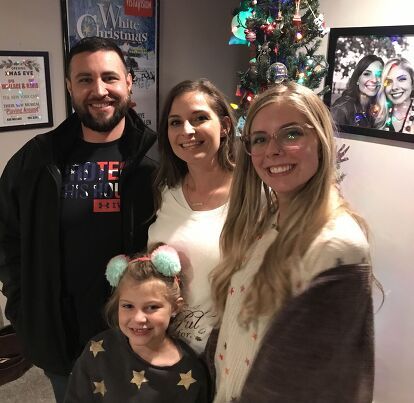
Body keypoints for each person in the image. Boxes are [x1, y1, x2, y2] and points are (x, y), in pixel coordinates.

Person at [0, 36, 157, 402]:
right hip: (62, 342)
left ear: (128, 82)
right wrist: (23, 307)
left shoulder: (158, 159)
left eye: (109, 77)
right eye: (85, 79)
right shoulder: (36, 161)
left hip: (141, 339)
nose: (98, 90)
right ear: (70, 86)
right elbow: (6, 236)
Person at [210, 82, 376, 402]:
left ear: (320, 140)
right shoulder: (266, 224)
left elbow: (293, 387)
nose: (273, 150)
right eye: (260, 139)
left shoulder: (336, 248)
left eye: (291, 134)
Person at [147, 79, 236, 354]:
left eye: (199, 118)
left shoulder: (252, 195)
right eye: (175, 122)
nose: (187, 130)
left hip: (221, 354)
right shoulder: (165, 191)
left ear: (224, 126)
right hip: (164, 348)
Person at [64, 244, 210, 403]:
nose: (139, 318)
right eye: (128, 306)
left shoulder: (192, 373)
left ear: (175, 307)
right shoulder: (97, 350)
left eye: (152, 307)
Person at [331, 54, 384, 127]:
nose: (374, 80)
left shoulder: (378, 108)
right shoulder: (341, 109)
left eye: (379, 74)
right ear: (357, 79)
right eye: (367, 74)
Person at [374, 57, 414, 133]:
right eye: (388, 82)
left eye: (402, 79)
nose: (394, 87)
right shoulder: (378, 116)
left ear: (412, 83)